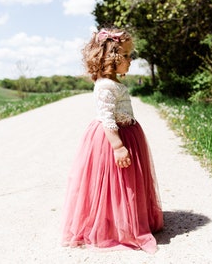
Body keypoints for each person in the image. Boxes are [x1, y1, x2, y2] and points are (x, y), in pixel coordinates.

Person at [60, 28, 163, 253]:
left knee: (127, 182)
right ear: (111, 58)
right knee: (116, 183)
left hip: (126, 133)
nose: (130, 60)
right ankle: (116, 224)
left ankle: (126, 219)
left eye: (129, 55)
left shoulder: (113, 83)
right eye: (126, 55)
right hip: (113, 139)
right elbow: (107, 117)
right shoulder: (105, 86)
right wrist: (117, 146)